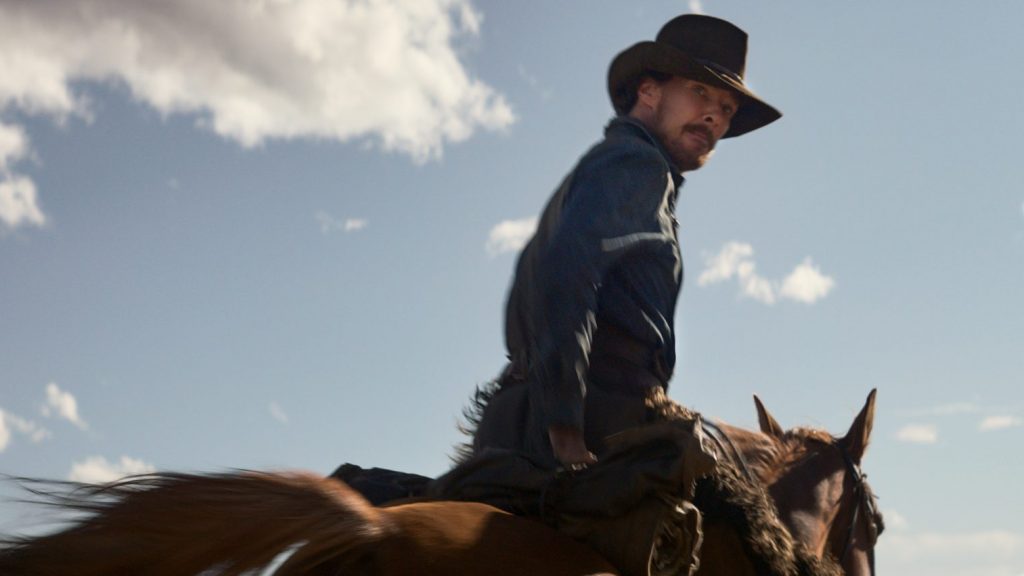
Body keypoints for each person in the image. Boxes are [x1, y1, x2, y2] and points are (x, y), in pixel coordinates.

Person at [469, 14, 782, 470]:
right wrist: (566, 430)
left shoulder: (612, 167)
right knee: (747, 524)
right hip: (594, 421)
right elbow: (568, 276)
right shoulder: (637, 165)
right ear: (649, 92)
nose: (714, 115)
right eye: (699, 92)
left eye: (727, 108)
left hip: (527, 411)